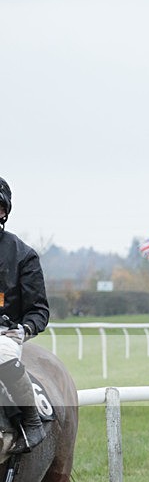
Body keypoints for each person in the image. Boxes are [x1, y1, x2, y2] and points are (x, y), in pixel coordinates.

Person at [0, 176, 49, 453]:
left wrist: (24, 329)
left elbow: (39, 310)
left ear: (3, 211)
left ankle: (31, 422)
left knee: (1, 353)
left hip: (6, 334)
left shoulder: (23, 255)